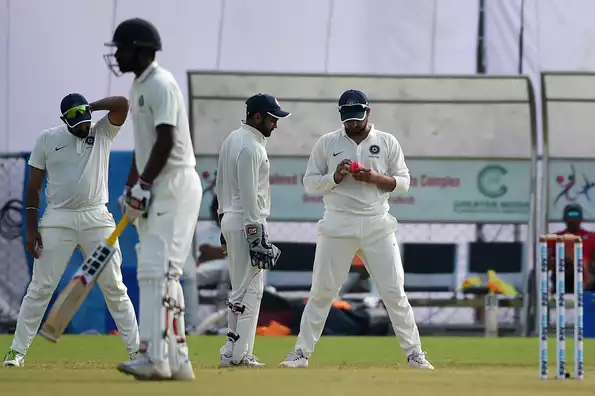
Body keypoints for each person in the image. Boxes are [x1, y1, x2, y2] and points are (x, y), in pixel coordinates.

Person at [279, 89, 433, 369]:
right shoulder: (327, 143)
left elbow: (404, 182)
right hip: (338, 223)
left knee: (394, 292)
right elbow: (310, 183)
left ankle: (415, 354)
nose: (353, 123)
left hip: (378, 224)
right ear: (340, 116)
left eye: (357, 118)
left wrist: (375, 178)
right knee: (322, 291)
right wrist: (335, 177)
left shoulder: (387, 142)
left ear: (368, 113)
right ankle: (300, 354)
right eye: (347, 119)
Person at [3, 93, 139, 367]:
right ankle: (16, 352)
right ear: (65, 121)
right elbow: (33, 189)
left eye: (87, 122)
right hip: (58, 219)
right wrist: (31, 230)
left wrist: (91, 108)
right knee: (41, 287)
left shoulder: (101, 130)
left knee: (114, 287)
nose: (84, 128)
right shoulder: (47, 138)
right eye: (77, 125)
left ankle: (138, 352)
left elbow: (123, 104)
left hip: (97, 218)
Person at [104, 18, 202, 381]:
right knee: (161, 273)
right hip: (159, 183)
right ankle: (177, 361)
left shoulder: (160, 83)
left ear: (141, 50)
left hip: (173, 182)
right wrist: (133, 187)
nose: (117, 54)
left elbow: (166, 140)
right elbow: (143, 148)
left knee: (157, 271)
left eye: (122, 48)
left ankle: (154, 358)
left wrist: (145, 184)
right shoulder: (140, 85)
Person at [216, 93, 290, 367]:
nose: (276, 125)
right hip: (248, 220)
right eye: (272, 119)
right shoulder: (250, 147)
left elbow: (220, 186)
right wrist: (255, 233)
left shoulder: (232, 139)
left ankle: (230, 351)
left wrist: (223, 223)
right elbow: (248, 194)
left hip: (231, 218)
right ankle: (240, 355)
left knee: (240, 288)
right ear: (257, 116)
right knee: (252, 290)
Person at [182, 195, 229, 333]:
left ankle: (239, 326)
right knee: (189, 278)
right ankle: (192, 325)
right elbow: (203, 252)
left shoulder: (240, 230)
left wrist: (218, 251)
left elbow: (241, 253)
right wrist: (228, 251)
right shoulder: (206, 232)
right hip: (209, 270)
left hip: (235, 269)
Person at [547, 203, 595, 291]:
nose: (573, 219)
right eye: (570, 215)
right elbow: (546, 262)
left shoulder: (592, 237)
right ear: (564, 218)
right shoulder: (555, 238)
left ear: (581, 218)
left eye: (576, 215)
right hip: (564, 277)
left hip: (588, 279)